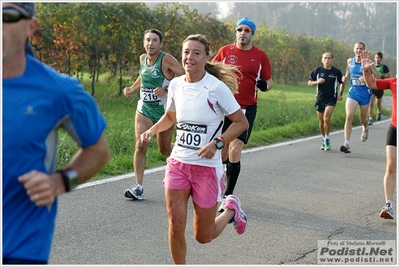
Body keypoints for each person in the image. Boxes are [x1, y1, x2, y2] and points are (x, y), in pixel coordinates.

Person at [3, 2, 111, 264]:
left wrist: (61, 182)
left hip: (19, 245)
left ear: (31, 26)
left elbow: (99, 150)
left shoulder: (59, 90)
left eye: (7, 15)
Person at [140, 34, 249, 264]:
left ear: (206, 57)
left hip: (206, 168)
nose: (190, 57)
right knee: (176, 225)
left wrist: (218, 143)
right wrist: (153, 130)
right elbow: (171, 117)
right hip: (179, 164)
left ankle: (231, 208)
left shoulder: (215, 88)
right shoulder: (177, 85)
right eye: (186, 52)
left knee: (203, 236)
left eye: (196, 53)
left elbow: (241, 122)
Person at [212, 16, 273, 212]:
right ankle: (219, 185)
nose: (242, 33)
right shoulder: (225, 51)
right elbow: (210, 72)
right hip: (224, 109)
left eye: (247, 30)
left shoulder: (260, 55)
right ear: (236, 32)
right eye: (240, 30)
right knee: (221, 150)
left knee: (235, 150)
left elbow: (269, 81)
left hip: (247, 108)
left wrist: (265, 86)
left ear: (252, 34)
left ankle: (227, 196)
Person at [123, 29, 185, 200]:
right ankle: (138, 187)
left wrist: (166, 89)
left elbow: (185, 77)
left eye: (154, 40)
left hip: (164, 111)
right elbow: (143, 77)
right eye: (148, 40)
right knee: (141, 144)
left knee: (164, 150)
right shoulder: (143, 59)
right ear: (144, 43)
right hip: (144, 109)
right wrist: (132, 88)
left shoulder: (166, 59)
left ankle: (187, 153)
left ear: (161, 44)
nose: (150, 43)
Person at [361, 50, 397, 219]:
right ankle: (388, 204)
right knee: (390, 167)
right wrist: (366, 70)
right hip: (395, 128)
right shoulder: (394, 82)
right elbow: (371, 84)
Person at [339, 41, 380, 153]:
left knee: (362, 119)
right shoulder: (349, 61)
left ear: (364, 50)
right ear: (354, 50)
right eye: (357, 48)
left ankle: (365, 128)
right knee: (349, 116)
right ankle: (346, 143)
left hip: (365, 94)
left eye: (361, 49)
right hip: (353, 93)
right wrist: (345, 78)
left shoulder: (368, 62)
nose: (359, 51)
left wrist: (367, 77)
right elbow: (348, 73)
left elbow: (377, 76)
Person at [308, 52, 345, 150]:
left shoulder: (336, 72)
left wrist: (340, 94)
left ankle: (327, 139)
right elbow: (309, 82)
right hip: (320, 99)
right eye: (325, 58)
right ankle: (324, 138)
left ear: (332, 60)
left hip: (331, 99)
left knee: (326, 118)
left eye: (329, 58)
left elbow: (342, 82)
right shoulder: (318, 70)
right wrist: (317, 81)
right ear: (322, 59)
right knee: (321, 120)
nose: (327, 60)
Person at [368, 51, 391, 125]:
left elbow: (389, 76)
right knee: (371, 103)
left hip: (380, 87)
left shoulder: (384, 67)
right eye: (376, 57)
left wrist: (382, 75)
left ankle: (379, 111)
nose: (377, 59)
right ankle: (370, 118)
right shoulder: (372, 66)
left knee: (378, 104)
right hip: (373, 86)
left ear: (381, 59)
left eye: (378, 58)